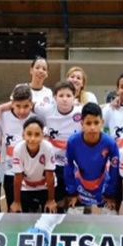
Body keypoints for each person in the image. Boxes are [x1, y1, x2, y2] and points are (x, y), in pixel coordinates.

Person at [34, 81, 83, 213]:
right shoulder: (45, 110)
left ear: (75, 97)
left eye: (68, 95)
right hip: (53, 165)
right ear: (55, 97)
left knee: (76, 203)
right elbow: (27, 104)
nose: (65, 99)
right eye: (61, 96)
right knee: (56, 202)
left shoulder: (82, 112)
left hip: (74, 165)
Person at [64, 103, 120, 214]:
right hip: (80, 184)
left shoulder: (110, 143)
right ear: (82, 124)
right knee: (72, 213)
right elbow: (68, 166)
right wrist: (72, 192)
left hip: (102, 184)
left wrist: (110, 193)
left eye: (96, 123)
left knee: (110, 214)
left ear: (102, 123)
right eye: (88, 123)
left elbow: (115, 169)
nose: (92, 127)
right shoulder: (73, 141)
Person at [0, 85, 35, 209]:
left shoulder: (37, 118)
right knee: (13, 207)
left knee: (32, 210)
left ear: (31, 104)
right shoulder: (3, 116)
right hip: (10, 171)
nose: (22, 111)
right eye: (18, 106)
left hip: (32, 172)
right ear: (12, 104)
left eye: (26, 106)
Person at [10, 116, 57, 214]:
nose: (32, 138)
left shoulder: (48, 148)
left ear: (42, 135)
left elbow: (49, 174)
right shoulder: (18, 149)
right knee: (18, 211)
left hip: (45, 186)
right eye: (29, 134)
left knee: (50, 210)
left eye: (37, 134)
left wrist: (51, 200)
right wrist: (16, 201)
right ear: (23, 135)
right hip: (26, 186)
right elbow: (18, 176)